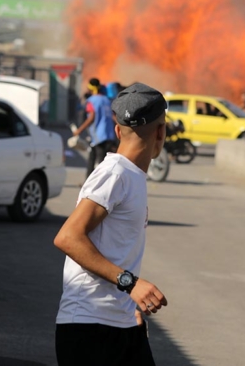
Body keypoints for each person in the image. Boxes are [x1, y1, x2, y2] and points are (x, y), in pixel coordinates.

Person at [54, 83, 168, 366]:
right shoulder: (114, 173)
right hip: (89, 327)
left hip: (122, 323)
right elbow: (68, 237)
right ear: (161, 131)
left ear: (117, 132)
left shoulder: (131, 176)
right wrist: (131, 284)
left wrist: (129, 305)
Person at [74, 78, 119, 178]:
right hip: (109, 135)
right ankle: (89, 182)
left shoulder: (91, 101)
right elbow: (113, 116)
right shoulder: (106, 100)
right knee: (96, 158)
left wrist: (79, 130)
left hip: (98, 136)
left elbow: (91, 118)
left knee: (98, 161)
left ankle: (95, 185)